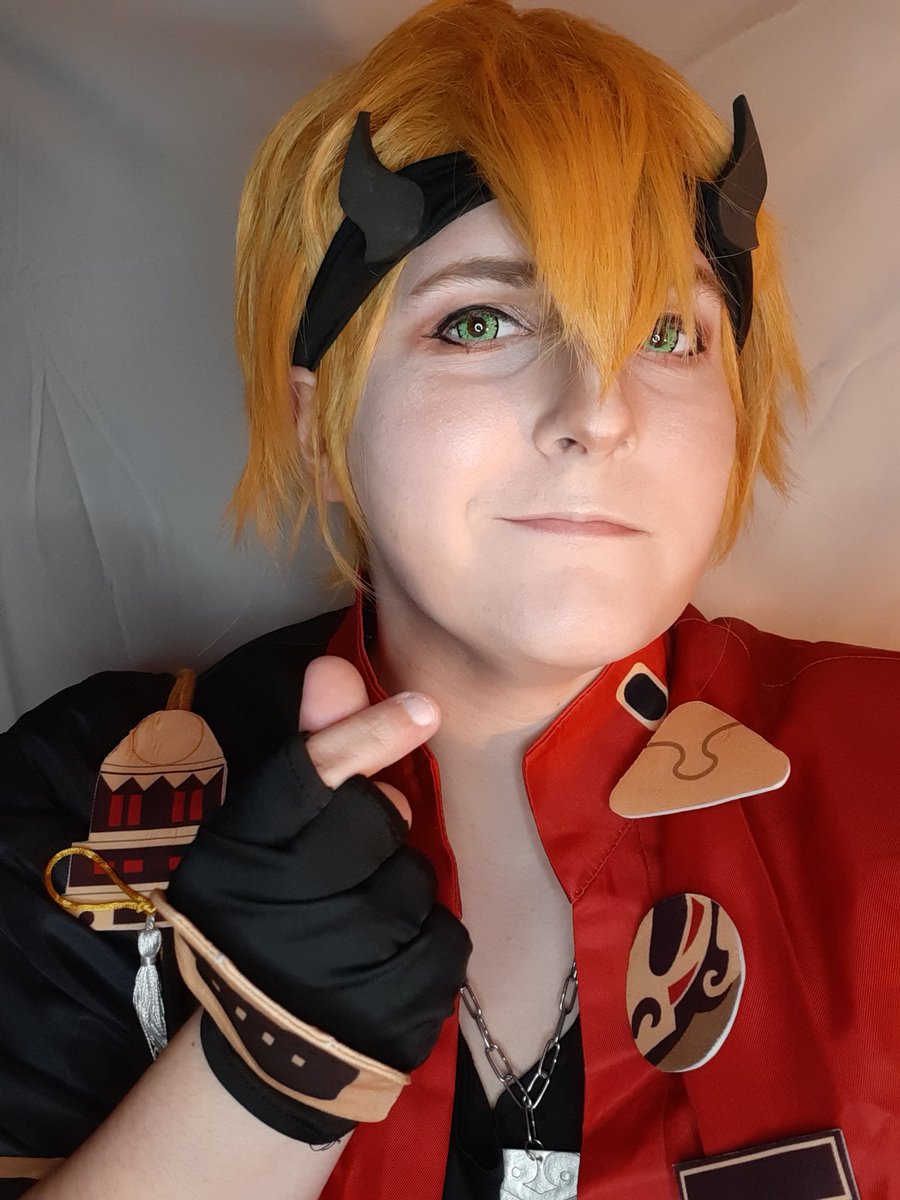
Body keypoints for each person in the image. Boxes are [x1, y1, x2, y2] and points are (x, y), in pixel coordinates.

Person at [1, 1, 898, 1197]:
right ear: (321, 423)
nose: (597, 413)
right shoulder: (88, 808)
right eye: (481, 320)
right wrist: (258, 1079)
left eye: (666, 331)